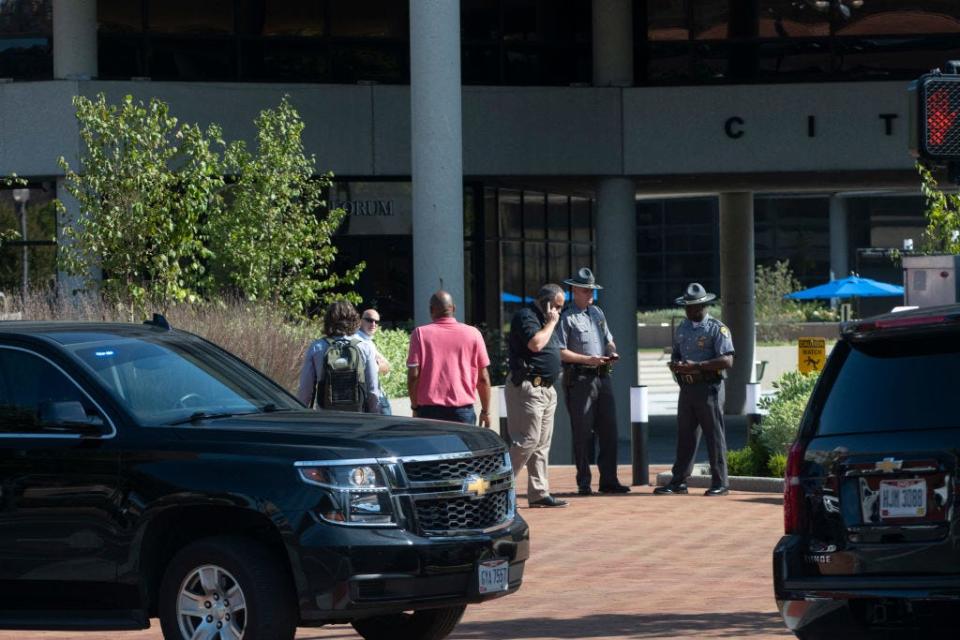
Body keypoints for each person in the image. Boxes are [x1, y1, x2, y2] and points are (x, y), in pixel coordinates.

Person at [654, 282, 735, 497]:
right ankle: (678, 480)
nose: (689, 311)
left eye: (694, 307)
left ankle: (721, 482)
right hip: (688, 388)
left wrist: (697, 366)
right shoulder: (683, 328)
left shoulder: (717, 328)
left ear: (704, 306)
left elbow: (727, 360)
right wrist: (677, 366)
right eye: (687, 307)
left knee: (714, 436)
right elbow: (677, 355)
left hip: (709, 387)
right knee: (685, 435)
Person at [558, 267, 630, 496]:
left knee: (609, 430)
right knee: (582, 432)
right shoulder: (566, 317)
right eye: (585, 290)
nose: (590, 294)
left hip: (602, 377)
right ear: (574, 290)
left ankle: (609, 480)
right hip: (579, 379)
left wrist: (611, 351)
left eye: (592, 290)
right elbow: (560, 351)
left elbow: (609, 340)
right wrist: (587, 359)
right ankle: (584, 482)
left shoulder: (597, 313)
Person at [506, 283, 568, 508]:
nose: (559, 311)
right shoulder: (527, 316)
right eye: (557, 306)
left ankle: (539, 493)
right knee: (526, 441)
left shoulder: (547, 320)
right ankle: (500, 487)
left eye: (561, 308)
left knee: (542, 444)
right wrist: (552, 322)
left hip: (547, 389)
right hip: (528, 388)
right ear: (546, 302)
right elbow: (535, 344)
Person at [406, 291, 491, 425]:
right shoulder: (474, 334)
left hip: (429, 412)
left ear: (431, 310)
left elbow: (413, 376)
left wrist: (415, 407)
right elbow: (483, 378)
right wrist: (485, 411)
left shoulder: (420, 334)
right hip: (463, 413)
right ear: (454, 309)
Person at [297, 299, 382, 413]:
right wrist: (374, 414)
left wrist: (301, 413)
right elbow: (373, 390)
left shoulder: (317, 347)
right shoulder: (365, 347)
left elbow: (305, 390)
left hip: (326, 416)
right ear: (354, 320)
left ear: (328, 321)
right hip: (357, 418)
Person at [355, 308, 392, 415]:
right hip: (372, 397)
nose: (374, 324)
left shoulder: (367, 340)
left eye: (377, 321)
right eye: (369, 320)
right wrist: (380, 365)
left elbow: (387, 366)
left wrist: (382, 365)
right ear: (361, 321)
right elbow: (378, 368)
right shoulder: (361, 341)